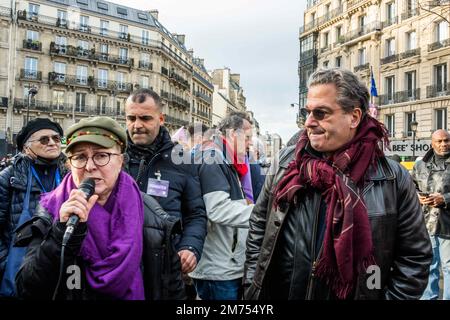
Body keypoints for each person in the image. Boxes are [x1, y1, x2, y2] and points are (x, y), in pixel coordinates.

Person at [244, 68, 432, 300]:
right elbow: (259, 226)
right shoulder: (285, 163)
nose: (309, 122)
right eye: (308, 112)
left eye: (321, 113)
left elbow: (414, 259)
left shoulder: (392, 178)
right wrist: (252, 287)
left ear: (354, 117)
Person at [15, 116, 185, 300]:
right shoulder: (52, 211)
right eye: (79, 157)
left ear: (121, 160)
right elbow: (27, 289)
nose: (89, 166)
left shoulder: (150, 212)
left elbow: (171, 287)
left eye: (101, 155)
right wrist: (59, 235)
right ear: (69, 164)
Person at [123, 89, 206, 293]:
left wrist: (190, 247)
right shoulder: (111, 156)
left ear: (161, 119)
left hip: (166, 271)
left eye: (145, 118)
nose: (137, 125)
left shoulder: (182, 160)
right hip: (120, 268)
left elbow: (196, 214)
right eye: (131, 118)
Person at [189, 112, 255, 300]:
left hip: (225, 263)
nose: (250, 143)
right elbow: (217, 209)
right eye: (248, 138)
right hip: (218, 267)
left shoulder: (224, 158)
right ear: (234, 134)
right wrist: (260, 214)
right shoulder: (213, 157)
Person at [0, 118, 66, 297]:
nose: (52, 143)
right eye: (44, 140)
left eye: (56, 138)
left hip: (60, 266)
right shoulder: (9, 176)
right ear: (26, 148)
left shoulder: (70, 174)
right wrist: (4, 263)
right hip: (17, 268)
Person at [412, 129, 450, 300]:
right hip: (425, 223)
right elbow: (410, 188)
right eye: (439, 141)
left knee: (449, 268)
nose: (444, 144)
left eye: (446, 140)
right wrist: (417, 196)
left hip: (447, 224)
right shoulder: (420, 164)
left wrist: (444, 198)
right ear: (432, 143)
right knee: (429, 266)